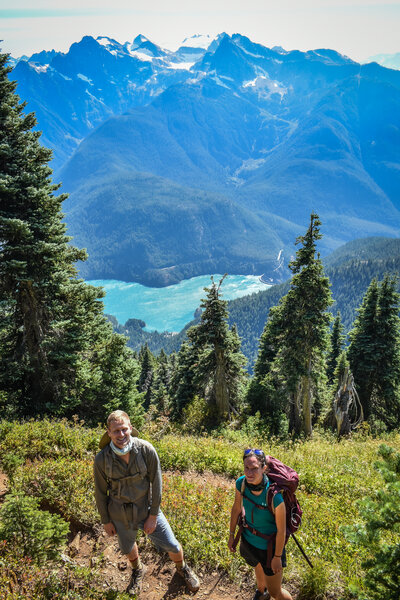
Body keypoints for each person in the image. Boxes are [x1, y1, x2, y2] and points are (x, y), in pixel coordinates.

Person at [93, 410, 200, 597]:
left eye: (124, 429)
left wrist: (153, 516)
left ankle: (182, 568)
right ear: (108, 432)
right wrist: (106, 520)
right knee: (127, 546)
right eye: (116, 431)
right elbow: (101, 493)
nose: (121, 435)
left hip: (146, 507)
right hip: (119, 511)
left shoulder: (146, 449)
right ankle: (138, 569)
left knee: (172, 545)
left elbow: (157, 484)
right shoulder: (102, 459)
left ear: (131, 428)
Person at [228, 448, 293, 600]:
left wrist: (277, 557)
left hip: (269, 550)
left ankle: (268, 593)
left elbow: (281, 531)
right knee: (257, 565)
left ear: (264, 468)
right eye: (246, 468)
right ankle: (261, 592)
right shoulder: (241, 483)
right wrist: (231, 535)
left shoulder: (274, 497)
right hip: (249, 540)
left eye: (254, 468)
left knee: (276, 593)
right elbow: (236, 508)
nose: (249, 473)